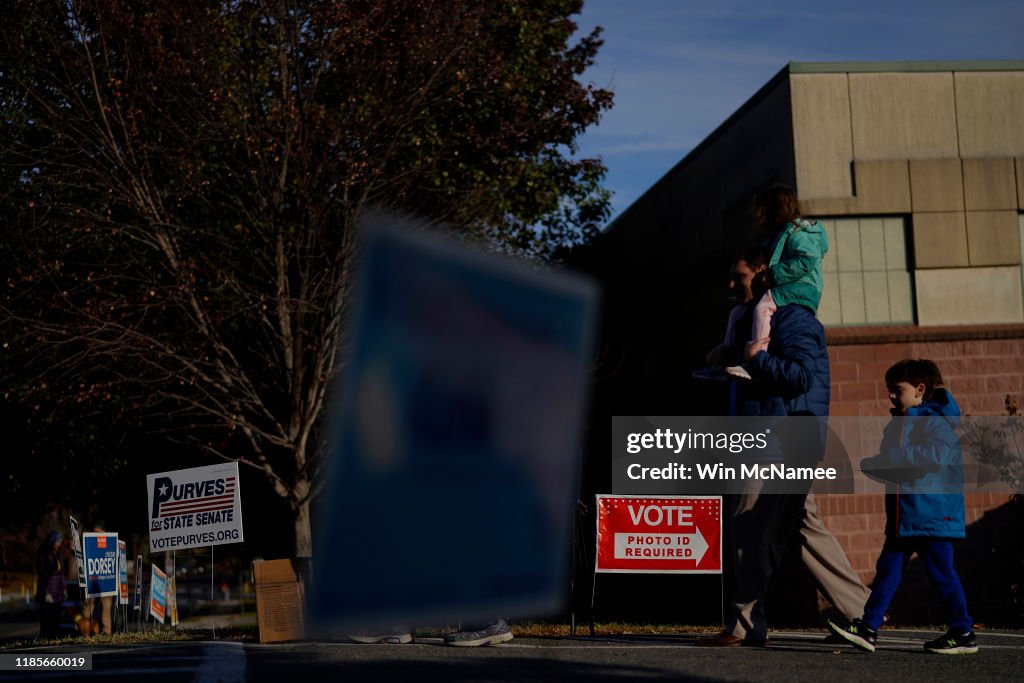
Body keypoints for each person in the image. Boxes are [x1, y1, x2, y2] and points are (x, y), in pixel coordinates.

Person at [697, 248, 833, 647]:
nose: (731, 284)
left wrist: (754, 360)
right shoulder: (745, 319)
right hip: (767, 434)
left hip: (771, 437)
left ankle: (744, 625)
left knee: (747, 525)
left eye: (738, 276)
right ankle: (865, 612)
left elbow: (800, 377)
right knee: (805, 527)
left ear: (761, 272)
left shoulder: (789, 317)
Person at [828, 359, 977, 655]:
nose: (891, 396)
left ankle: (962, 631)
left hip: (931, 516)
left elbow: (932, 455)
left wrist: (888, 460)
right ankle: (868, 627)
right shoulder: (900, 422)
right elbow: (897, 462)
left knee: (942, 574)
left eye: (897, 390)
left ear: (920, 390)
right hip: (905, 517)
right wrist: (875, 466)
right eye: (889, 391)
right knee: (888, 570)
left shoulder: (937, 421)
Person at [723, 185, 828, 381]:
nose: (758, 218)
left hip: (800, 287)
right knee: (737, 312)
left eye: (761, 212)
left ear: (773, 211)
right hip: (787, 286)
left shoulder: (796, 233)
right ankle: (725, 355)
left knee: (762, 308)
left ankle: (757, 354)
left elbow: (807, 258)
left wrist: (772, 275)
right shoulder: (777, 236)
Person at [35, 530, 67, 640]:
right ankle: (44, 639)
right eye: (58, 542)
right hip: (47, 592)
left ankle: (54, 639)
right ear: (52, 541)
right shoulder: (43, 553)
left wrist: (64, 589)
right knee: (46, 618)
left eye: (60, 542)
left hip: (58, 591)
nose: (59, 544)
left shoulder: (59, 554)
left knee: (56, 618)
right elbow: (43, 573)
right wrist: (46, 593)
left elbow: (61, 573)